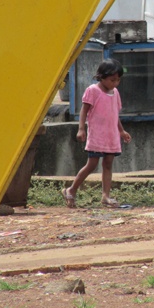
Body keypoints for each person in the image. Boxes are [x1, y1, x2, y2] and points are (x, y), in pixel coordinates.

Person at [60, 58, 131, 208]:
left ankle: (106, 196)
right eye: (112, 80)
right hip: (97, 135)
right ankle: (71, 189)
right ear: (102, 77)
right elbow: (84, 110)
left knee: (108, 164)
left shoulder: (115, 92)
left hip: (111, 135)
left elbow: (114, 114)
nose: (115, 83)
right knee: (91, 164)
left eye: (118, 80)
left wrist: (121, 130)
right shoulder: (93, 90)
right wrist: (81, 128)